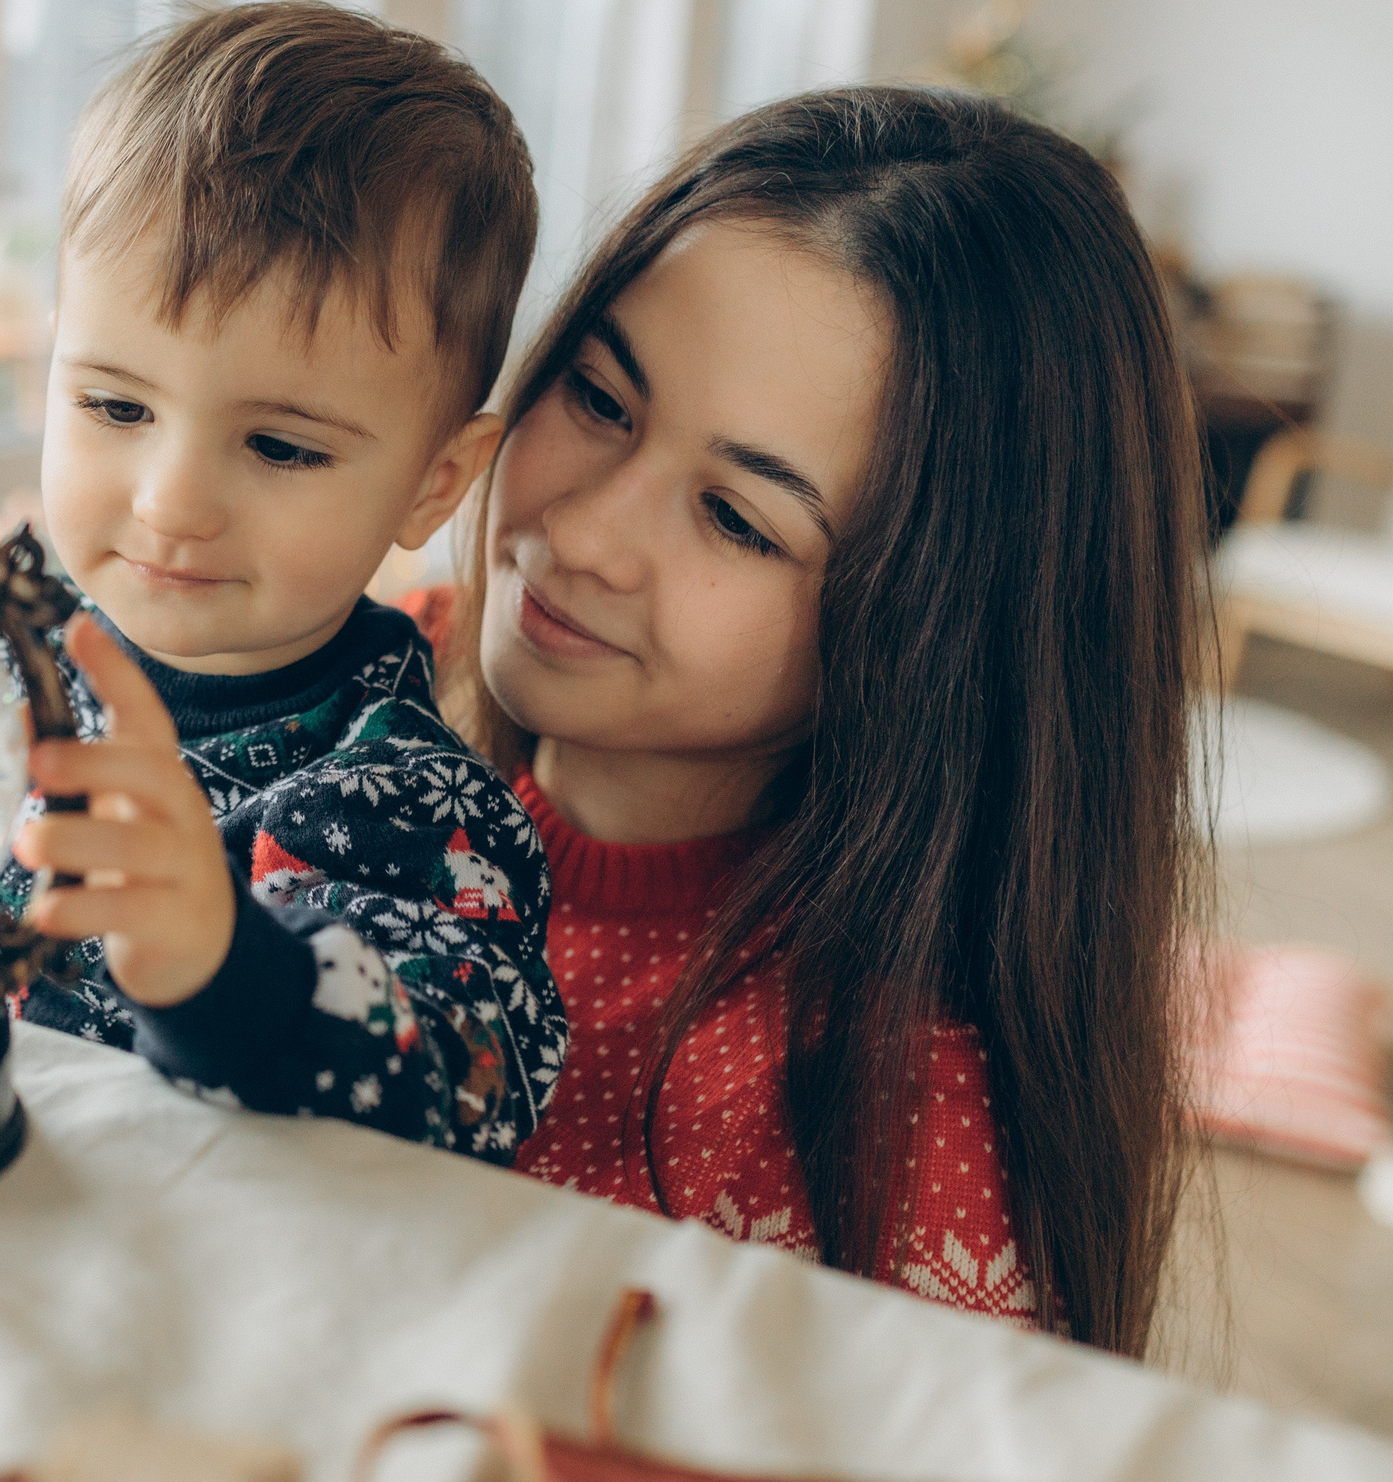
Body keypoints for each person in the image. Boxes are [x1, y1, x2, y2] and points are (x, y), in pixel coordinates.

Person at [412, 86, 1203, 1352]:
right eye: (603, 401)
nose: (582, 533)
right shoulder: (358, 678)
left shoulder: (870, 1117)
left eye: (737, 518)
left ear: (936, 637)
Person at [0, 1, 570, 1164]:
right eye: (114, 406)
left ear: (432, 482)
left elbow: (472, 1090)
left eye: (280, 447)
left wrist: (222, 969)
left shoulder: (403, 802)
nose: (169, 501)